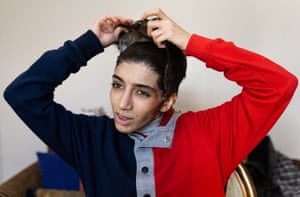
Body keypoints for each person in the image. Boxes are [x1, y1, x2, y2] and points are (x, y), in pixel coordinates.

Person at [3, 8, 298, 197]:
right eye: (118, 85)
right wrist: (89, 42)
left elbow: (279, 84)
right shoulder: (90, 138)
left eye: (142, 92)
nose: (123, 104)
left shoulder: (209, 134)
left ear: (167, 101)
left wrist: (191, 42)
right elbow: (22, 93)